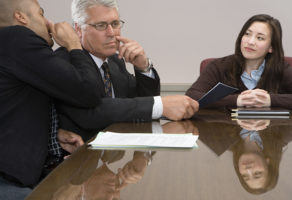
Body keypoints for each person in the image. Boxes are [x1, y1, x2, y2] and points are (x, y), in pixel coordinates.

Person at [0, 0, 104, 198]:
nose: (48, 22)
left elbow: (11, 109)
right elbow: (89, 93)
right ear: (21, 17)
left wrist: (52, 136)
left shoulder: (7, 46)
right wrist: (74, 44)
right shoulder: (17, 38)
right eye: (41, 14)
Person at [54, 0, 199, 141]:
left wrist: (143, 67)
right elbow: (92, 112)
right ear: (79, 29)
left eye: (115, 24)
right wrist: (160, 106)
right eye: (101, 25)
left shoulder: (114, 60)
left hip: (114, 159)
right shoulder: (63, 61)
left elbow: (141, 103)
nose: (111, 33)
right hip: (80, 158)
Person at [186, 14, 292, 109]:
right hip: (224, 132)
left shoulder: (281, 68)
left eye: (260, 38)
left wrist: (269, 99)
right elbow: (192, 96)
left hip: (269, 132)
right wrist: (238, 100)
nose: (250, 42)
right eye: (247, 34)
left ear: (271, 47)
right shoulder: (218, 66)